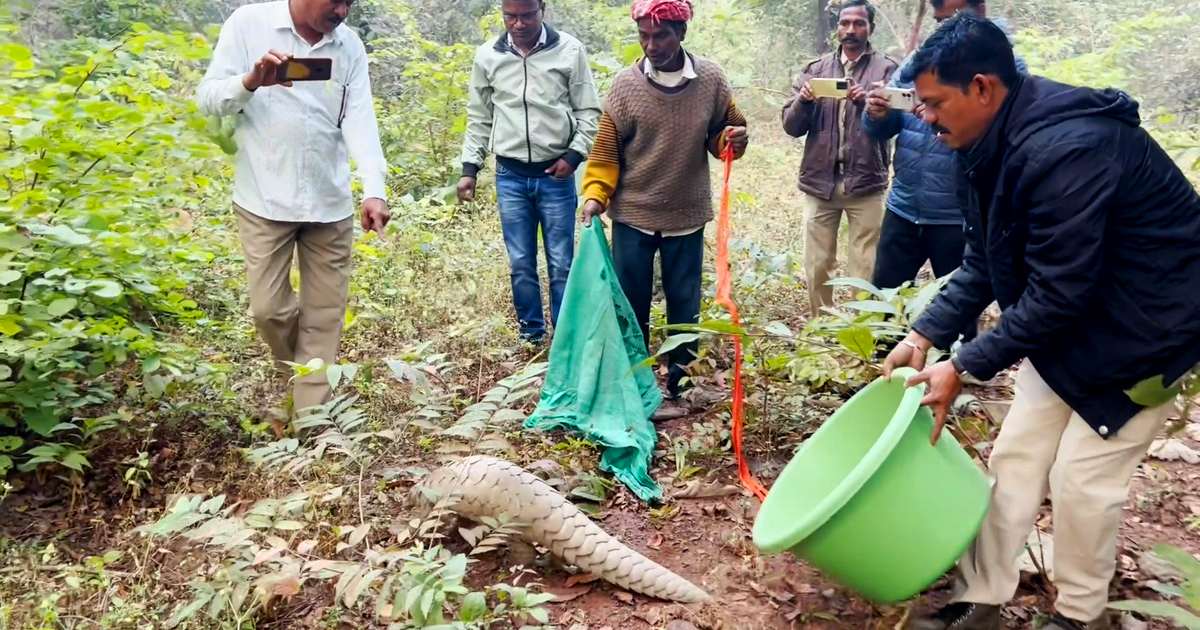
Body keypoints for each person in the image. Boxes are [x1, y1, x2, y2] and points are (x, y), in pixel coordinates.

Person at [885, 14, 1200, 630]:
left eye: (932, 103)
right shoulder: (981, 146)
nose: (923, 117)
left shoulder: (1070, 147)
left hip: (1152, 334)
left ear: (982, 88)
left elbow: (1060, 290)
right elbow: (984, 260)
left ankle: (1080, 615)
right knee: (1015, 457)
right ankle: (980, 599)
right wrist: (924, 334)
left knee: (1083, 480)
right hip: (1074, 327)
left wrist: (965, 365)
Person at [196, 0, 389, 421]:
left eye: (350, 3)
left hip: (329, 201)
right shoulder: (249, 24)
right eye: (335, 1)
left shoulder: (348, 46)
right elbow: (208, 99)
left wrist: (374, 188)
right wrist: (250, 81)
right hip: (264, 197)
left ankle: (310, 422)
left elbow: (359, 118)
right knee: (269, 310)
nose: (342, 11)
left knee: (324, 316)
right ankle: (303, 381)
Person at [578, 0, 749, 409]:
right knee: (631, 305)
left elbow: (726, 128)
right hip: (634, 214)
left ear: (682, 33)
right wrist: (594, 195)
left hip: (686, 215)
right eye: (644, 36)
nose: (651, 45)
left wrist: (733, 140)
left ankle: (682, 384)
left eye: (661, 35)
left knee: (684, 307)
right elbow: (606, 149)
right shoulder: (625, 86)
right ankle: (632, 387)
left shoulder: (709, 79)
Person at [862, 0, 1026, 346]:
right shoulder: (919, 60)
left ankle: (950, 376)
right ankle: (880, 372)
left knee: (958, 302)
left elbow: (1003, 139)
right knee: (884, 300)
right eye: (940, 18)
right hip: (905, 203)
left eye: (953, 15)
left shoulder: (1004, 65)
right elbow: (882, 128)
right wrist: (877, 113)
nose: (945, 24)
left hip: (956, 212)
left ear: (978, 9)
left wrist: (940, 114)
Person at [457, 0, 602, 344]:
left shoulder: (569, 50)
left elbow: (589, 110)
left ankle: (566, 338)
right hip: (510, 175)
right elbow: (479, 116)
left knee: (562, 262)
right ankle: (532, 336)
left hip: (556, 175)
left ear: (542, 10)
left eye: (526, 15)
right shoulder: (488, 55)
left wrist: (575, 154)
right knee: (521, 262)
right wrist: (470, 169)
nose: (518, 24)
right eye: (510, 16)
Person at [781, 0, 898, 317]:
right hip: (821, 183)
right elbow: (791, 127)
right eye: (845, 23)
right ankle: (824, 326)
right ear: (837, 28)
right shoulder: (816, 70)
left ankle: (860, 333)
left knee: (865, 265)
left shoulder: (886, 70)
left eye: (859, 23)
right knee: (818, 264)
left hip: (866, 182)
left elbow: (895, 127)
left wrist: (869, 106)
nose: (851, 30)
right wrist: (804, 101)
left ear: (870, 28)